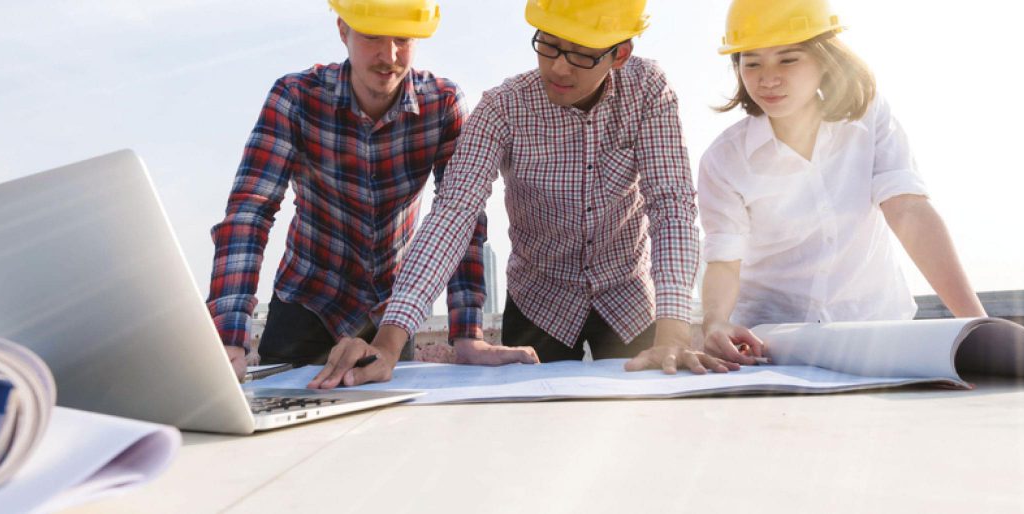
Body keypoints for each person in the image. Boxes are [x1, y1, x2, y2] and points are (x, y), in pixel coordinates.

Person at [310, 0, 747, 390]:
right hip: (540, 302)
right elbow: (453, 215)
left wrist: (672, 336)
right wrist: (388, 342)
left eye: (580, 54)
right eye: (549, 45)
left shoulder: (648, 91)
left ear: (619, 54)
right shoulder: (502, 108)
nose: (559, 67)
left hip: (628, 298)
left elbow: (670, 205)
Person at [695, 0, 1024, 361]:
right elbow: (725, 260)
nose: (768, 79)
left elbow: (908, 211)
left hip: (878, 332)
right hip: (776, 343)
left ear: (824, 59)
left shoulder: (868, 119)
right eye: (752, 63)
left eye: (788, 59)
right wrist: (715, 323)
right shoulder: (724, 159)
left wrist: (990, 334)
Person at [206, 0, 489, 382]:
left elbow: (460, 219)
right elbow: (250, 211)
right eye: (372, 36)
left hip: (390, 316)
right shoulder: (296, 97)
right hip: (307, 301)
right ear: (344, 31)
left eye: (402, 39)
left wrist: (467, 332)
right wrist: (229, 335)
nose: (388, 55)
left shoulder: (443, 105)